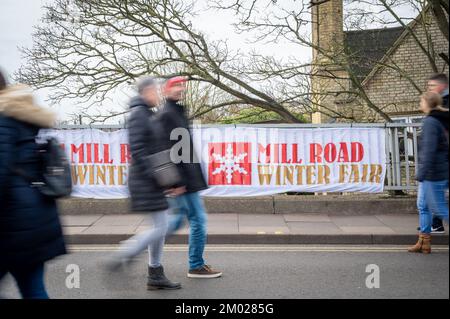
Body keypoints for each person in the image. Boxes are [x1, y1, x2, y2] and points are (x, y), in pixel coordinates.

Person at [107, 76, 182, 290]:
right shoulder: (139, 115)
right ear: (145, 91)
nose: (158, 95)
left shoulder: (147, 115)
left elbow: (155, 149)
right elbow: (139, 151)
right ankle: (125, 253)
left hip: (152, 180)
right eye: (155, 91)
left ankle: (155, 274)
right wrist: (161, 178)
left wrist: (169, 180)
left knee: (160, 225)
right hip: (145, 181)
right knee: (161, 226)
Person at [0, 70, 66, 298]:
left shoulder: (3, 121)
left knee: (33, 289)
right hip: (34, 218)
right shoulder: (23, 117)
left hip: (12, 226)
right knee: (34, 289)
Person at [159, 76, 222, 278]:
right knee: (198, 220)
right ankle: (195, 265)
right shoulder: (168, 115)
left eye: (182, 85)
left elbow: (183, 149)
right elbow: (168, 151)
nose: (180, 88)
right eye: (175, 85)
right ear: (166, 90)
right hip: (183, 182)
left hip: (187, 179)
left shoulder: (177, 112)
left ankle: (142, 244)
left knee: (177, 221)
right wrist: (176, 182)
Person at [409, 92, 449, 254]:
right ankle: (424, 241)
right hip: (433, 170)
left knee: (439, 209)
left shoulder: (431, 122)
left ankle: (424, 241)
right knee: (423, 206)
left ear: (427, 102)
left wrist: (421, 173)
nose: (420, 103)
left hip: (433, 172)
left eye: (421, 100)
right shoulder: (434, 120)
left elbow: (429, 150)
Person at [426, 73, 449, 233]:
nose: (429, 89)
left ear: (442, 86)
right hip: (442, 159)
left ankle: (436, 223)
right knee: (434, 199)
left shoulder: (443, 107)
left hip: (442, 159)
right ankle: (436, 223)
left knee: (436, 201)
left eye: (432, 86)